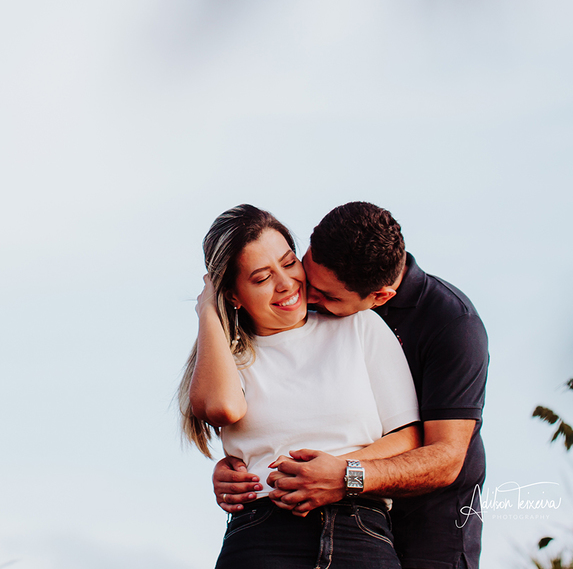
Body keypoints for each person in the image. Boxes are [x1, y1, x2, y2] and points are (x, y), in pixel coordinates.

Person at [211, 202, 490, 569]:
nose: (307, 297)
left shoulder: (452, 325)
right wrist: (247, 461)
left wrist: (340, 474)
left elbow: (446, 458)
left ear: (379, 300)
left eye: (327, 297)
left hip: (429, 524)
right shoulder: (326, 278)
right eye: (305, 267)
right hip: (310, 519)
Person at [180, 204, 422, 569]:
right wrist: (208, 311)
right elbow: (221, 408)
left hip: (359, 531)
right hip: (262, 536)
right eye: (262, 278)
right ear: (233, 294)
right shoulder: (230, 358)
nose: (286, 283)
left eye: (289, 262)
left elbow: (407, 439)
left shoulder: (360, 326)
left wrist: (335, 471)